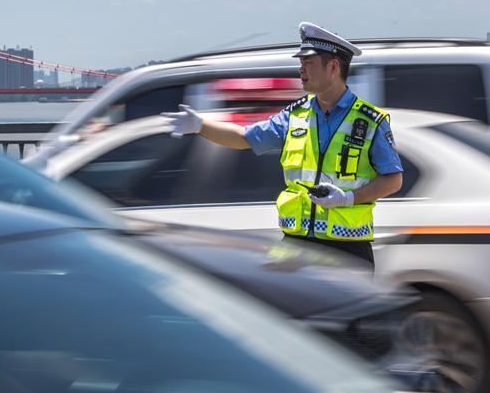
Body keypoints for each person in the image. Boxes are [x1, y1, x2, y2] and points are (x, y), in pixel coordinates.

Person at [161, 22, 403, 266]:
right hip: (295, 247)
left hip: (347, 252)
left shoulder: (369, 122)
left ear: (333, 67)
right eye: (301, 63)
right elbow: (245, 138)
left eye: (308, 63)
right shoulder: (295, 116)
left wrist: (347, 198)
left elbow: (393, 180)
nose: (301, 70)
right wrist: (200, 125)